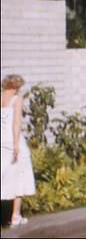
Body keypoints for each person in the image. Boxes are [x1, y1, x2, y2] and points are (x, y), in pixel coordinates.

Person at [1, 74, 36, 227]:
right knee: (20, 177)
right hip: (13, 142)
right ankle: (16, 216)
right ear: (16, 87)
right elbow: (16, 123)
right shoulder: (17, 99)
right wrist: (16, 145)